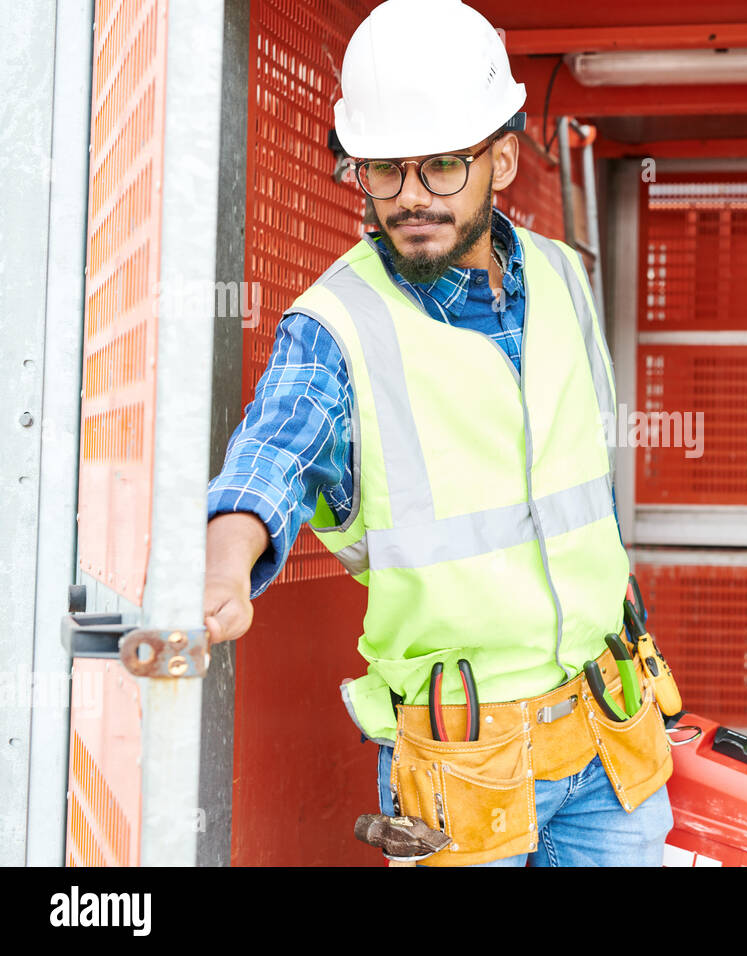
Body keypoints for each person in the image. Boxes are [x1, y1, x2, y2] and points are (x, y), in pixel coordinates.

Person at [203, 0, 673, 867]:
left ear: (500, 157)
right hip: (462, 756)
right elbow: (270, 454)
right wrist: (226, 563)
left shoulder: (567, 280)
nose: (411, 197)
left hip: (611, 731)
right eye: (385, 171)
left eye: (442, 167)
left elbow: (587, 496)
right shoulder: (337, 324)